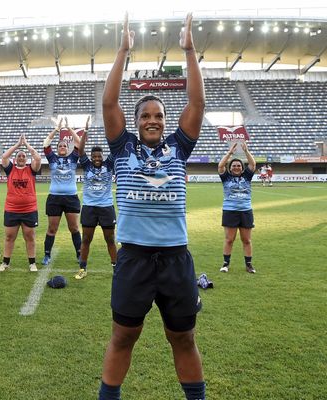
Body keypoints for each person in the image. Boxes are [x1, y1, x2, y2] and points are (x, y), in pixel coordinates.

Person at [98, 13, 207, 400]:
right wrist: (122, 51)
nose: (152, 120)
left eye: (158, 115)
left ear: (166, 121)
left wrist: (189, 50)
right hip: (135, 258)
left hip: (176, 258)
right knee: (123, 335)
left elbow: (197, 100)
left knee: (183, 337)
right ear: (136, 120)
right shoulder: (122, 146)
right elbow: (109, 101)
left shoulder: (179, 146)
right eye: (145, 115)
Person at [74, 127, 117, 280]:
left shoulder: (109, 164)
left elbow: (114, 147)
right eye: (94, 156)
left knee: (110, 239)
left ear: (102, 156)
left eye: (99, 156)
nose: (97, 158)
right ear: (91, 158)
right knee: (86, 239)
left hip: (106, 207)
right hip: (89, 207)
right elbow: (80, 150)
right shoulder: (87, 165)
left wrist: (109, 133)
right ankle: (82, 268)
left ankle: (115, 268)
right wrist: (84, 133)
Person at [0, 134, 42, 272]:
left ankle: (32, 263)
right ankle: (5, 262)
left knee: (29, 236)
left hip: (29, 209)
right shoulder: (11, 169)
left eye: (23, 156)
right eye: (19, 156)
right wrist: (18, 145)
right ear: (15, 159)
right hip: (12, 209)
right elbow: (4, 157)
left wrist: (26, 145)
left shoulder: (31, 169)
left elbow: (38, 158)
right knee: (10, 236)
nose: (21, 158)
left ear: (26, 159)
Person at [41, 117, 82, 265]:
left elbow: (80, 142)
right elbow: (46, 143)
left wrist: (69, 129)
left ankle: (79, 254)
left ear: (68, 148)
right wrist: (57, 130)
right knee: (52, 228)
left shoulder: (73, 158)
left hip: (71, 197)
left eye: (65, 145)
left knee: (74, 228)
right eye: (60, 146)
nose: (63, 147)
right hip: (54, 199)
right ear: (57, 149)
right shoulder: (52, 159)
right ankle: (47, 255)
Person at [218, 142, 257, 274]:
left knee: (246, 240)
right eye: (234, 165)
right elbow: (220, 166)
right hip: (230, 211)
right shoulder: (226, 177)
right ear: (231, 167)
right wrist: (229, 153)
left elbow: (253, 165)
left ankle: (249, 265)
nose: (236, 167)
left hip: (245, 211)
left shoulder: (247, 176)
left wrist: (246, 151)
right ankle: (225, 264)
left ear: (242, 167)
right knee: (229, 239)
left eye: (238, 165)